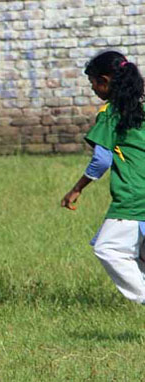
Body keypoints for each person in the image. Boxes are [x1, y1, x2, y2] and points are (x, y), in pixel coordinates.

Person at [61, 51, 145, 304]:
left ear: (105, 81)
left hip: (133, 194)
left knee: (108, 248)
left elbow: (101, 160)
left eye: (94, 84)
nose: (94, 89)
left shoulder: (111, 113)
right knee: (139, 253)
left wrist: (76, 189)